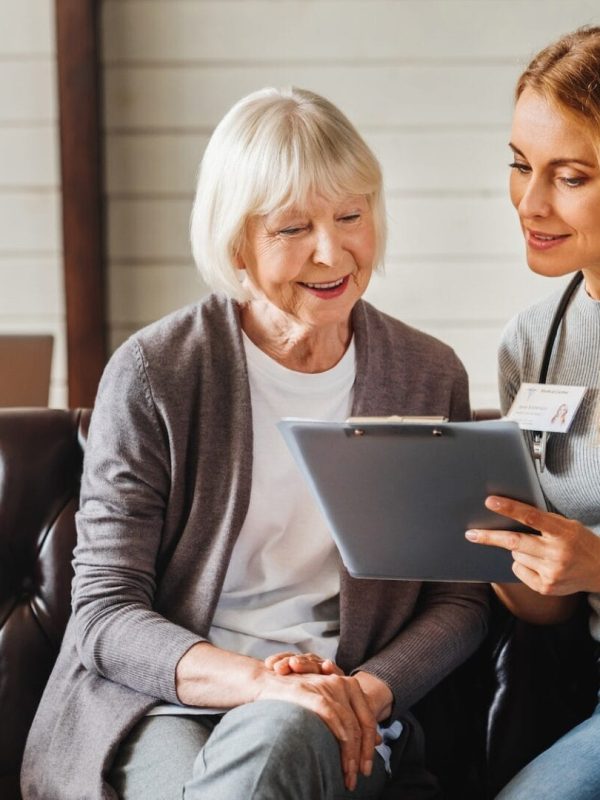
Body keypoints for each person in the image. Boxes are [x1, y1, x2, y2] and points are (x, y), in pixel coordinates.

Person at [21, 87, 488, 800]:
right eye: (292, 228)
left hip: (348, 711)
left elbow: (458, 601)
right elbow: (105, 612)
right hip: (164, 704)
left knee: (286, 738)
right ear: (235, 238)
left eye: (351, 216)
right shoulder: (157, 373)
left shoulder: (426, 375)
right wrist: (263, 685)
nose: (332, 251)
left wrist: (363, 692)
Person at [464, 26, 600, 800]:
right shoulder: (531, 340)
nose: (531, 202)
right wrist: (492, 550)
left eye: (569, 176)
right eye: (520, 166)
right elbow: (548, 609)